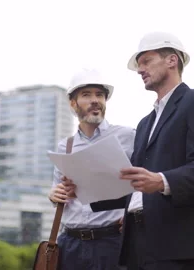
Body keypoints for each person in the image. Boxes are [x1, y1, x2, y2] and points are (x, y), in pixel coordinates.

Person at [82, 32, 194, 270]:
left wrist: (161, 181)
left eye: (146, 61)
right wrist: (83, 186)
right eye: (139, 65)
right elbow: (136, 183)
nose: (140, 69)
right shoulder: (144, 124)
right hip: (137, 241)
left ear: (172, 60)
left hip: (176, 242)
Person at [48, 68, 136, 270]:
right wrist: (54, 195)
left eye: (100, 95)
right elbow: (57, 194)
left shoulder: (128, 136)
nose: (95, 100)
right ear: (73, 103)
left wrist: (133, 210)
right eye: (86, 95)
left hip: (112, 243)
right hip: (70, 245)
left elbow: (146, 181)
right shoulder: (65, 147)